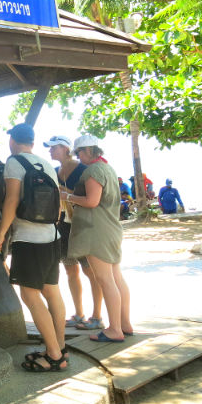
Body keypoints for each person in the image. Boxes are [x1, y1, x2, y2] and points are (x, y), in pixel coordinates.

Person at [0, 123, 67, 372]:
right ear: (33, 142)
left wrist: (0, 234)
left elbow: (12, 199)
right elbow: (57, 205)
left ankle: (53, 355)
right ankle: (59, 347)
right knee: (52, 291)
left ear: (12, 140)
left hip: (28, 239)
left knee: (30, 295)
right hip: (51, 236)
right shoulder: (46, 164)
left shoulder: (14, 162)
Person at [63, 135, 134, 343]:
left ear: (86, 151)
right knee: (116, 278)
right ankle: (124, 324)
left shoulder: (93, 170)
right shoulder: (107, 168)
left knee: (105, 280)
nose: (78, 157)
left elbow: (91, 201)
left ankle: (114, 330)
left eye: (79, 153)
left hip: (97, 232)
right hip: (111, 229)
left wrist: (66, 196)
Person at [43, 134, 104, 331]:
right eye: (50, 148)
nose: (50, 151)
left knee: (90, 271)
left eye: (54, 147)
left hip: (84, 225)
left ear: (65, 148)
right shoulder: (53, 171)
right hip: (64, 224)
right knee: (70, 269)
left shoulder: (84, 170)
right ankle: (79, 314)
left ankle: (97, 316)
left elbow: (93, 198)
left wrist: (67, 194)